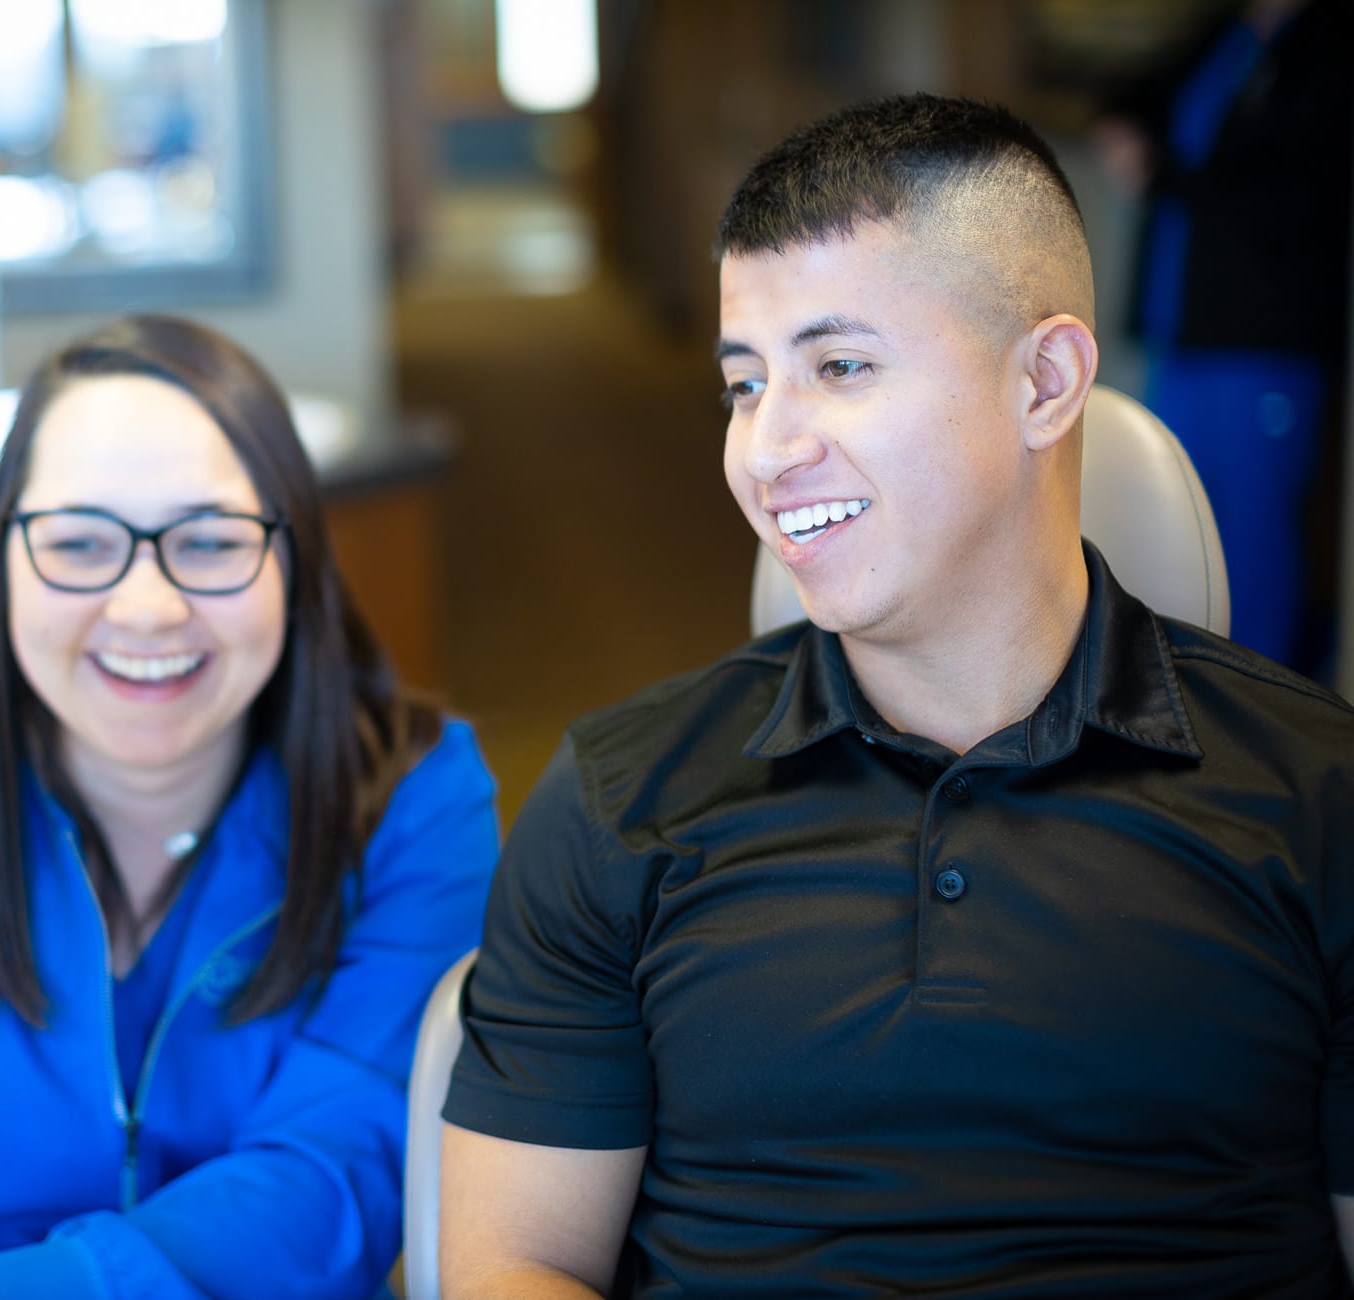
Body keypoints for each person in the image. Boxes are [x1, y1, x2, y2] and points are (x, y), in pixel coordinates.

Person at [439, 93, 1354, 1297]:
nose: (766, 449)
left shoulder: (1318, 797)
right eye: (743, 383)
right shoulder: (620, 796)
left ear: (1046, 382)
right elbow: (518, 1259)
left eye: (842, 366)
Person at [0, 315, 499, 1299]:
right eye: (78, 541)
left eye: (208, 539)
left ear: (295, 559)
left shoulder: (410, 797)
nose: (145, 605)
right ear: (3, 558)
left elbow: (333, 1178)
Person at [1095, 0, 1350, 671]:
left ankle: (1266, 711)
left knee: (1257, 537)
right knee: (1175, 518)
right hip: (1182, 331)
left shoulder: (1327, 46)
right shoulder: (1225, 33)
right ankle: (1190, 695)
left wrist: (1163, 172)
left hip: (1266, 339)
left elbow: (1293, 183)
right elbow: (1134, 91)